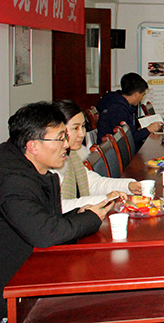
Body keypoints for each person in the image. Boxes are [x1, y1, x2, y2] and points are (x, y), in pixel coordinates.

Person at [0, 102, 113, 318]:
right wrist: (91, 218)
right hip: (11, 293)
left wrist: (78, 215)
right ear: (33, 146)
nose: (67, 145)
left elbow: (42, 218)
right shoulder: (12, 180)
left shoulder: (24, 164)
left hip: (27, 273)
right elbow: (45, 234)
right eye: (60, 138)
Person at [53, 100, 139, 212]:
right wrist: (105, 199)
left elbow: (93, 184)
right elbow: (59, 207)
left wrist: (129, 185)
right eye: (75, 128)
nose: (82, 134)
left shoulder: (72, 155)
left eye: (83, 126)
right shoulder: (50, 162)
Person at [96, 72, 162, 151]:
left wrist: (141, 120)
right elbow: (127, 140)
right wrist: (148, 130)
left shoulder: (121, 104)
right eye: (142, 95)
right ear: (136, 94)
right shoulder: (117, 109)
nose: (142, 98)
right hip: (115, 151)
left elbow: (128, 126)